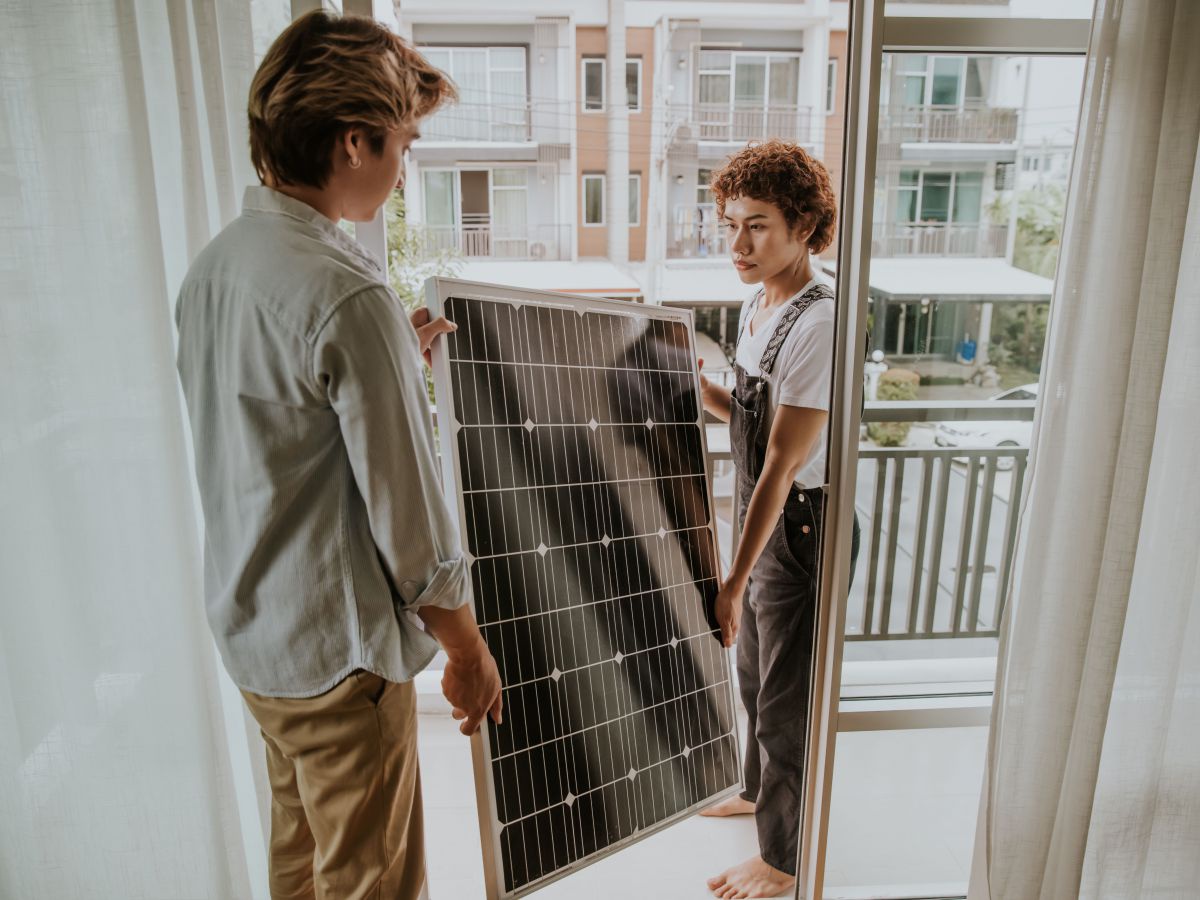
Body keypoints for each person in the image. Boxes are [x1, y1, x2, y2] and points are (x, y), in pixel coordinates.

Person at [174, 12, 501, 899]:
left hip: (260, 641)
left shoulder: (217, 267)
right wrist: (467, 650)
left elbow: (276, 423)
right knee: (371, 886)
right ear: (355, 141)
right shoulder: (347, 293)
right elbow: (410, 518)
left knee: (301, 865)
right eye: (404, 144)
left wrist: (389, 356)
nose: (404, 170)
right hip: (339, 656)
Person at [697, 140, 860, 898]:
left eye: (757, 225)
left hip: (800, 528)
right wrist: (697, 389)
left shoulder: (820, 321)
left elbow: (782, 464)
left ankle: (783, 860)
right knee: (752, 676)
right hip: (765, 522)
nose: (738, 243)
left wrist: (731, 582)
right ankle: (756, 792)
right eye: (730, 224)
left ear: (804, 226)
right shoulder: (757, 305)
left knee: (785, 702)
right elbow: (751, 422)